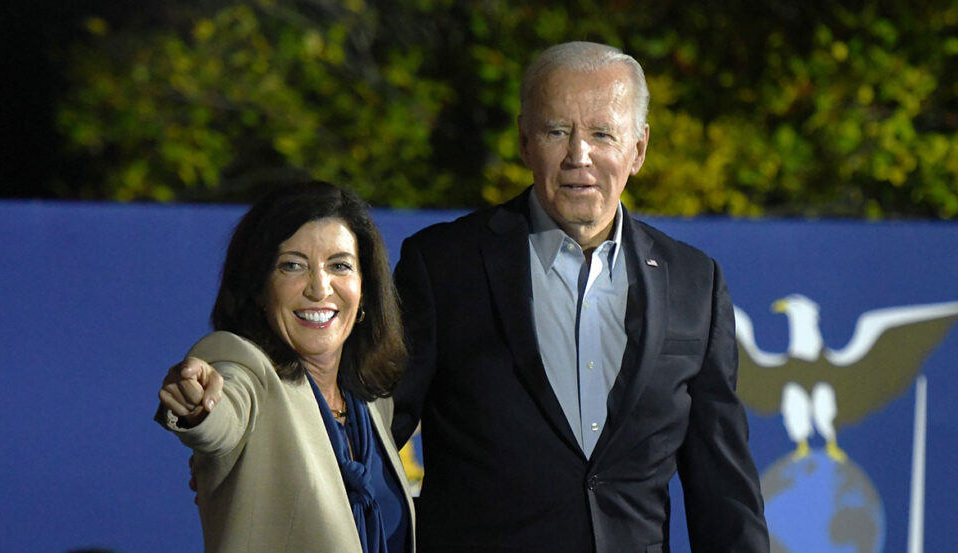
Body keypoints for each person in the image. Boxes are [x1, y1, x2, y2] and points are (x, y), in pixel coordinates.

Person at [390, 42, 769, 552]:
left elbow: (724, 488)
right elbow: (375, 438)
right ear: (525, 142)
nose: (578, 156)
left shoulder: (694, 283)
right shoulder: (443, 266)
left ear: (638, 149)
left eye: (602, 134)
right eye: (557, 131)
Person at [156, 181, 415, 553]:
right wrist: (199, 408)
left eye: (340, 265)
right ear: (259, 288)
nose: (319, 288)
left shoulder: (373, 402)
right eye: (292, 265)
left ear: (365, 292)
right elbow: (223, 417)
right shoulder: (244, 368)